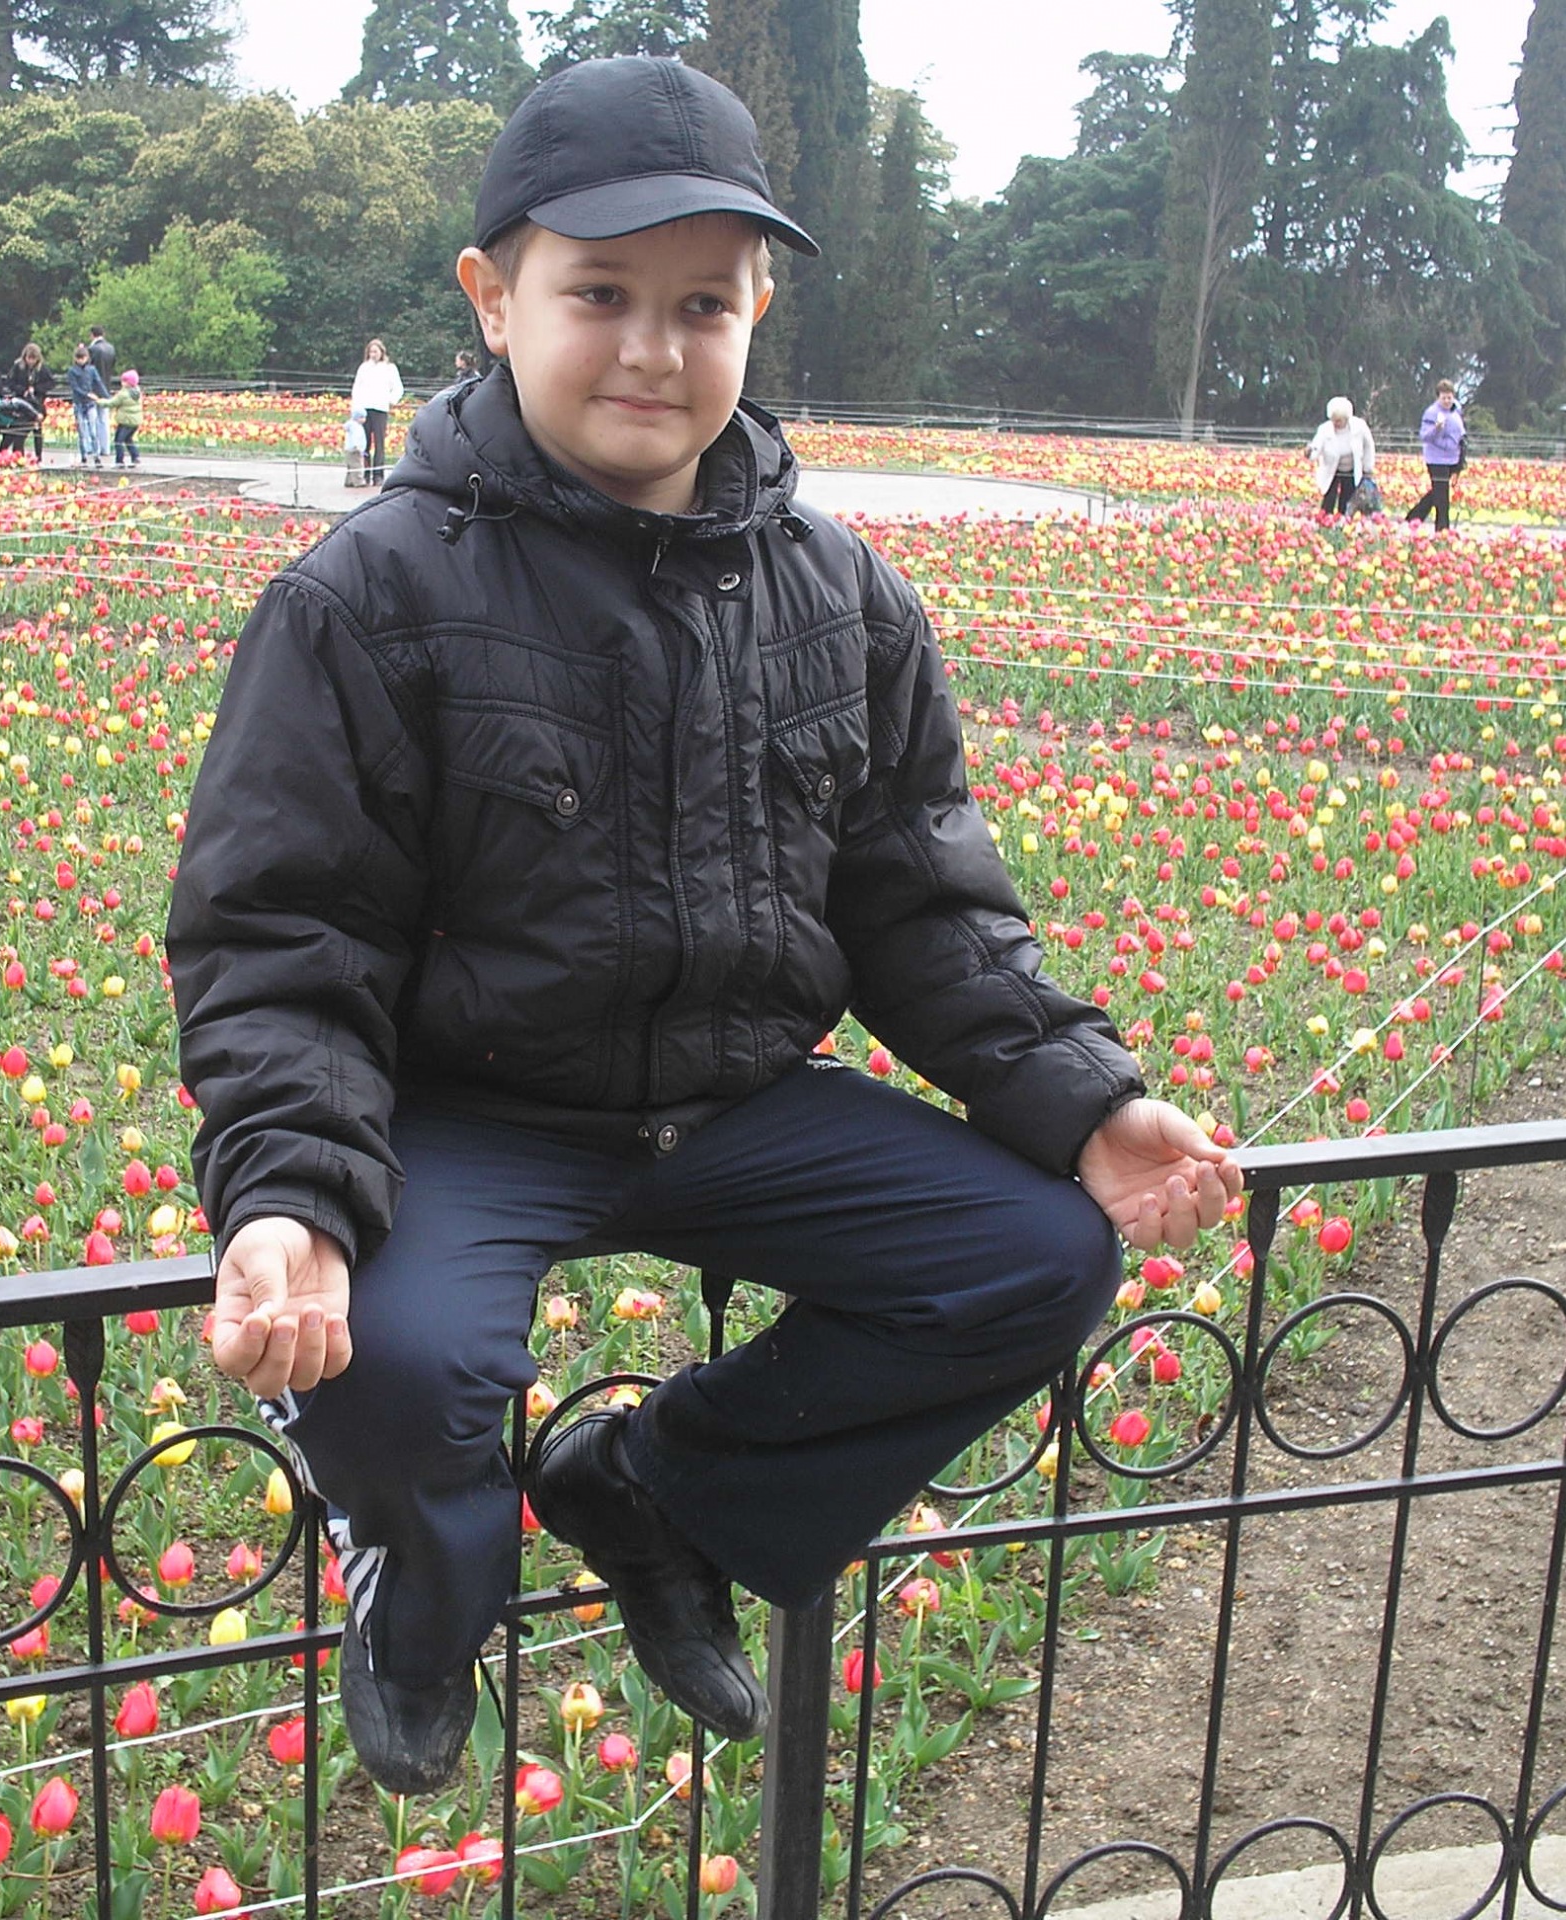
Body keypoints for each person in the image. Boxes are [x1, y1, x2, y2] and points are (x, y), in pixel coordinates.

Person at [165, 55, 1234, 1799]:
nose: (653, 350)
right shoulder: (370, 596)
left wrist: (1085, 1103)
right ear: (492, 298)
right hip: (472, 1110)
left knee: (1037, 1258)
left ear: (757, 316)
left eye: (704, 305)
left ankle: (656, 1492)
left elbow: (921, 900)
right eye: (599, 294)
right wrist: (289, 1193)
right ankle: (426, 1597)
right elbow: (286, 937)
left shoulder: (841, 594)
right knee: (400, 1357)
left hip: (737, 1100)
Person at [1406, 380, 1465, 530]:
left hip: (1453, 458)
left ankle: (1414, 517)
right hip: (1436, 459)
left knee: (1439, 491)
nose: (1447, 401)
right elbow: (1425, 436)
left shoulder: (1457, 410)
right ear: (1438, 397)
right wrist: (1437, 429)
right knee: (1442, 495)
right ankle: (1442, 529)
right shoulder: (1431, 413)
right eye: (1444, 398)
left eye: (1449, 397)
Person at [1307, 396, 1374, 516]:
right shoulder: (1324, 429)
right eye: (1333, 420)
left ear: (1346, 418)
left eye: (1339, 420)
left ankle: (1343, 519)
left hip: (1352, 468)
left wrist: (1367, 468)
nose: (1336, 423)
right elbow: (1316, 447)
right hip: (1331, 468)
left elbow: (1369, 447)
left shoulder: (1359, 427)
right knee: (1329, 497)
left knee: (1347, 498)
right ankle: (1325, 519)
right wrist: (1310, 453)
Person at [350, 337, 404, 486]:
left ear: (381, 352)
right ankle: (365, 474)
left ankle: (378, 475)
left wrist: (391, 400)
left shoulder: (389, 368)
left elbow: (398, 388)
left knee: (379, 443)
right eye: (371, 352)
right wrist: (356, 407)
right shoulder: (364, 368)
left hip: (380, 409)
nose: (373, 354)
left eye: (376, 351)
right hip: (365, 409)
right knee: (364, 443)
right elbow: (357, 388)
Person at [7, 344, 54, 460]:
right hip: (21, 404)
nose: (31, 361)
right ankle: (19, 456)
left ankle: (38, 456)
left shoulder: (42, 369)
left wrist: (37, 389)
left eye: (34, 359)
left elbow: (50, 383)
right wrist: (22, 390)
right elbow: (10, 383)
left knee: (37, 431)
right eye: (29, 358)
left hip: (37, 404)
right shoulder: (18, 367)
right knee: (20, 432)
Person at [67, 345, 109, 467]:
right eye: (78, 358)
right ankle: (84, 456)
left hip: (90, 404)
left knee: (93, 431)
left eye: (83, 358)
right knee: (82, 432)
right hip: (79, 403)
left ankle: (96, 457)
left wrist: (106, 397)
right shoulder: (72, 371)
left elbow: (98, 383)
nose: (81, 360)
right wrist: (87, 394)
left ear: (87, 358)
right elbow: (75, 387)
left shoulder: (91, 370)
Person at [107, 367, 141, 468]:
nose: (122, 383)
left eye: (124, 381)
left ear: (129, 383)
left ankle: (119, 462)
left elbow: (112, 403)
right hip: (135, 422)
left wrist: (99, 401)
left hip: (125, 421)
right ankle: (135, 457)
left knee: (118, 441)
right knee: (128, 439)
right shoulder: (137, 392)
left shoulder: (124, 394)